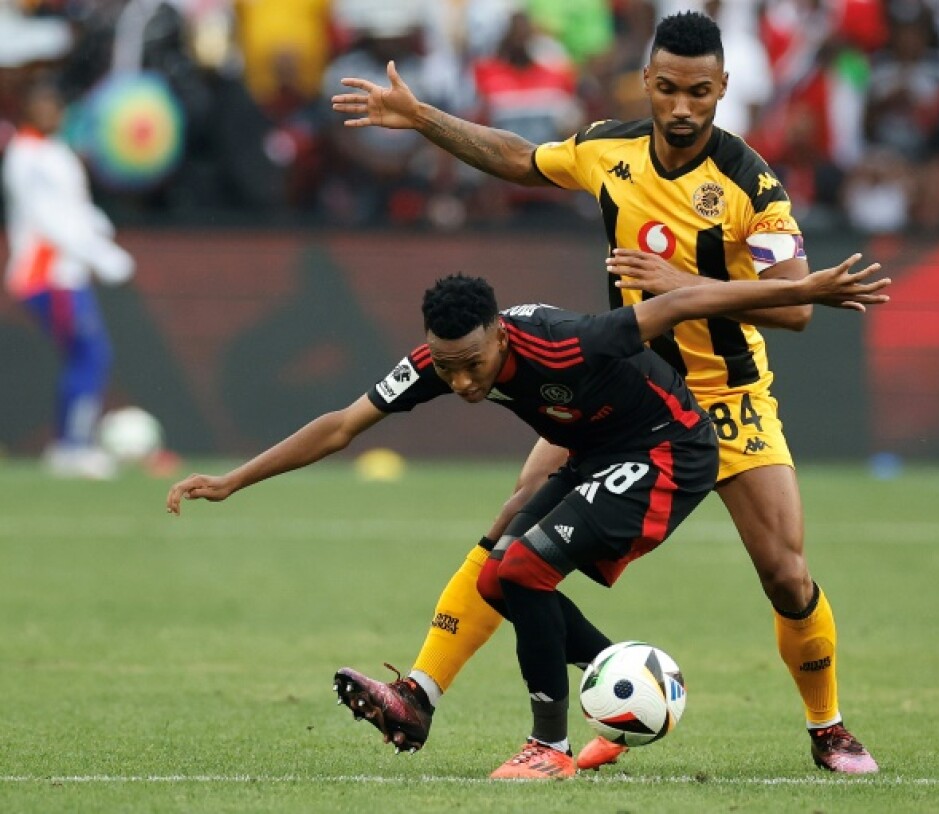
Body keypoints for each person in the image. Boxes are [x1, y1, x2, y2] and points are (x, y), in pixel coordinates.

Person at [331, 10, 882, 773]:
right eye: (667, 89)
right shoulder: (605, 148)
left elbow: (793, 307)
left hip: (727, 399)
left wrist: (679, 285)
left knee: (787, 575)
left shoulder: (751, 182)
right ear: (646, 84)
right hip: (618, 396)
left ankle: (828, 727)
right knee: (510, 533)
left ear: (723, 88)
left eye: (698, 91)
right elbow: (522, 160)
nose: (681, 107)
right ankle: (420, 692)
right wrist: (424, 117)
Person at [165, 262, 890, 780]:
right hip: (598, 451)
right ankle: (612, 693)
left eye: (471, 364)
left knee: (523, 567)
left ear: (501, 339)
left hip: (672, 450)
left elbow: (681, 305)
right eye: (446, 370)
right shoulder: (440, 356)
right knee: (497, 568)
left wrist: (804, 290)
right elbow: (341, 426)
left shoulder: (571, 340)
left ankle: (548, 744)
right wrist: (233, 480)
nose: (459, 382)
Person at [2, 79, 135, 479]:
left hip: (67, 272)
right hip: (47, 274)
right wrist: (101, 255)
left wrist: (99, 231)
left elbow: (76, 208)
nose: (51, 112)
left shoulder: (56, 152)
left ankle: (71, 443)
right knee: (89, 354)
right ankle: (73, 445)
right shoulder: (26, 155)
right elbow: (49, 219)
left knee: (87, 355)